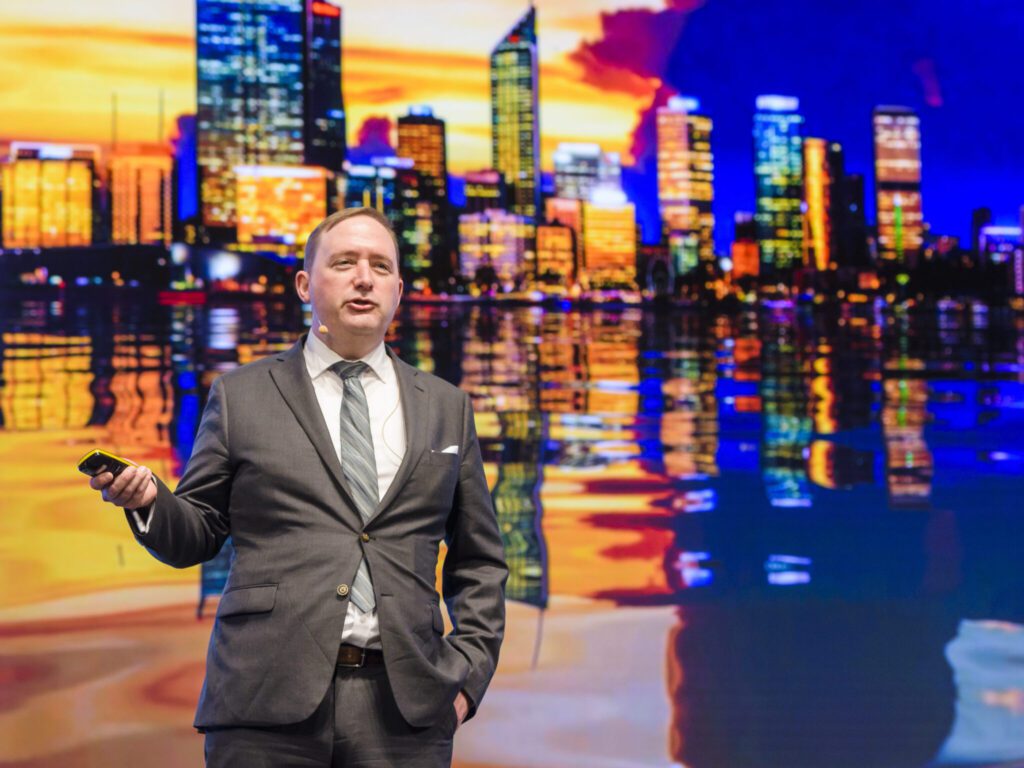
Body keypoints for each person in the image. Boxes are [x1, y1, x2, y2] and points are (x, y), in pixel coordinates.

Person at [89, 207, 508, 767]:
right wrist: (148, 502)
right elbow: (196, 533)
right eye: (345, 262)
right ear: (306, 285)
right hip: (263, 703)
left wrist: (466, 679)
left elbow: (480, 561)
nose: (364, 278)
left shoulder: (447, 407)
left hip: (407, 715)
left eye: (381, 266)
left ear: (399, 292)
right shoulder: (241, 396)